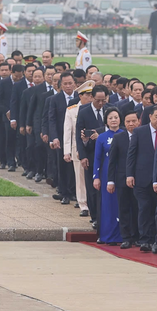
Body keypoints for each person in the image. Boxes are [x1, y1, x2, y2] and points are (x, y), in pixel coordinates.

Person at [127, 104, 157, 252]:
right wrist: (130, 174)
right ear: (150, 117)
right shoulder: (140, 131)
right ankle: (144, 239)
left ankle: (156, 240)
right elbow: (132, 154)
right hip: (142, 177)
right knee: (144, 208)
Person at [107, 108, 140, 249]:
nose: (131, 124)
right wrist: (110, 180)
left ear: (139, 122)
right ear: (123, 123)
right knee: (124, 208)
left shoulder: (142, 136)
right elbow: (112, 161)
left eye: (134, 121)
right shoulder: (119, 138)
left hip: (139, 179)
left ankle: (138, 236)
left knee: (138, 208)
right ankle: (126, 237)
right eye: (128, 121)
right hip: (121, 179)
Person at [77, 84, 109, 225]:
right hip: (90, 154)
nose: (101, 103)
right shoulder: (83, 111)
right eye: (98, 100)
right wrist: (82, 156)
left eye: (103, 100)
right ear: (92, 97)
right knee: (92, 187)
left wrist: (99, 133)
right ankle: (95, 216)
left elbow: (116, 127)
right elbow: (79, 135)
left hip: (107, 154)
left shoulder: (111, 109)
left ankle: (105, 215)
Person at [93, 106, 123, 244]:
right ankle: (107, 235)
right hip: (106, 173)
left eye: (116, 117)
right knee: (108, 204)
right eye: (110, 118)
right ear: (106, 121)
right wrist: (96, 176)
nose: (113, 120)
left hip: (122, 172)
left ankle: (123, 235)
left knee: (121, 204)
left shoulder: (125, 135)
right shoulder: (102, 138)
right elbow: (97, 158)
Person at [64, 80, 94, 218]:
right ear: (80, 96)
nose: (89, 97)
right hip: (78, 147)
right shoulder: (72, 110)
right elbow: (68, 131)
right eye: (87, 95)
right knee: (80, 177)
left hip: (93, 147)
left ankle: (93, 203)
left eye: (91, 94)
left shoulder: (95, 109)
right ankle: (83, 204)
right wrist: (67, 151)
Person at [48, 71, 78, 204]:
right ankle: (64, 192)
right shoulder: (55, 99)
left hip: (75, 137)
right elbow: (52, 120)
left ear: (75, 84)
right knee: (63, 165)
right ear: (60, 85)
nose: (68, 86)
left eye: (70, 83)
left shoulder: (79, 98)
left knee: (75, 165)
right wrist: (54, 137)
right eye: (65, 84)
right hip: (61, 138)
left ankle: (74, 192)